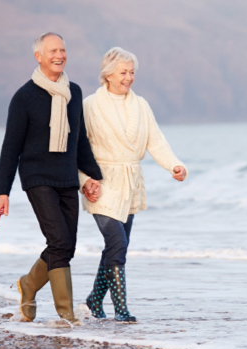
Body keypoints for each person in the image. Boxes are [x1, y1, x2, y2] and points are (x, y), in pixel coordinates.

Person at [0, 32, 103, 324]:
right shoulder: (24, 97)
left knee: (66, 245)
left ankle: (28, 284)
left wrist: (94, 177)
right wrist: (2, 191)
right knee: (58, 239)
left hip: (67, 177)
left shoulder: (74, 92)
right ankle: (66, 314)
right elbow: (11, 147)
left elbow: (79, 142)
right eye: (53, 50)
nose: (60, 55)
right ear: (39, 56)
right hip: (37, 177)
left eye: (63, 50)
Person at [80, 47, 187, 323]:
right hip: (101, 183)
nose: (129, 78)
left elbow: (155, 140)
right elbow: (79, 148)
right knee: (117, 241)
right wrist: (84, 181)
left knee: (117, 246)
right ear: (108, 74)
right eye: (124, 72)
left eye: (132, 72)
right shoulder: (90, 105)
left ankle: (93, 301)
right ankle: (121, 309)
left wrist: (174, 165)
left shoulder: (140, 105)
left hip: (130, 182)